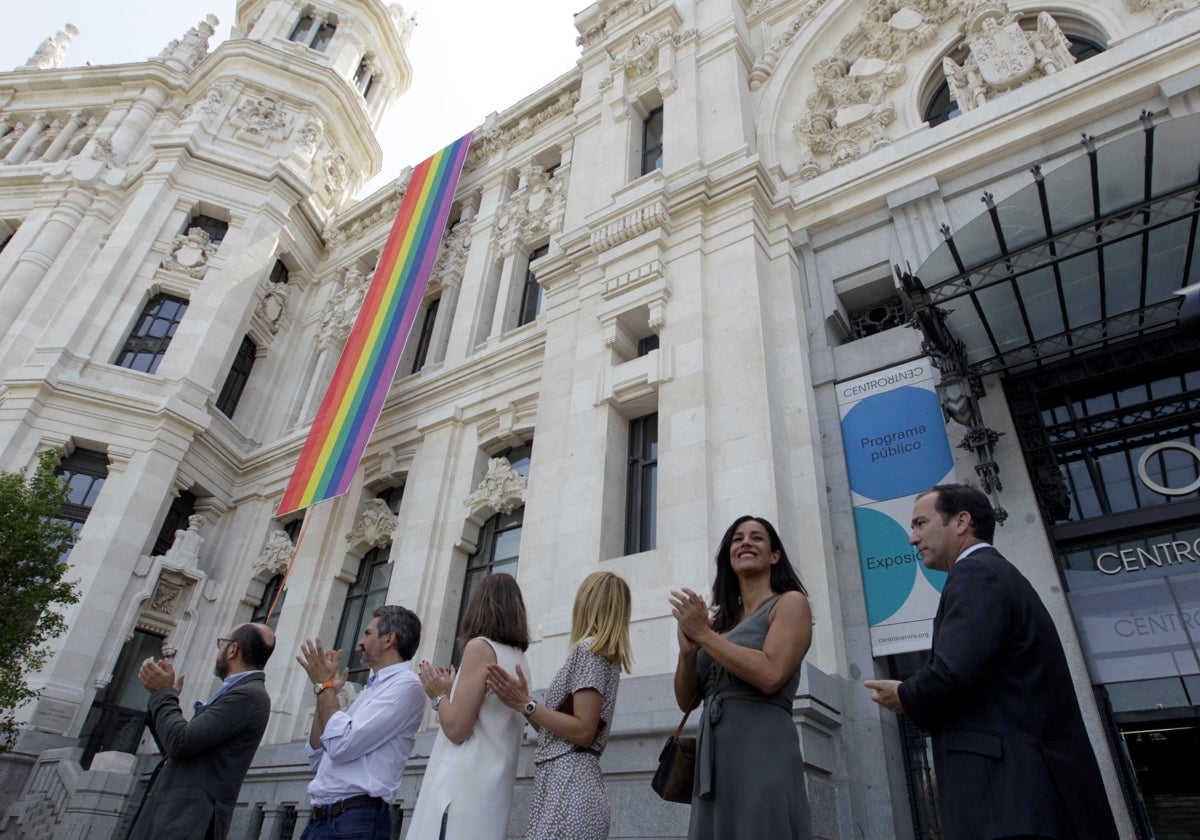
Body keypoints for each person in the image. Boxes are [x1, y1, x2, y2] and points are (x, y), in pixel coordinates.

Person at [865, 484, 1120, 840]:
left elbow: (954, 672)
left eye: (921, 523)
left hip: (1008, 801)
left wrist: (905, 694)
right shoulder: (995, 573)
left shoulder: (976, 574)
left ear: (961, 522)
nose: (912, 538)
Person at [670, 515, 814, 840]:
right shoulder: (720, 625)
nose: (746, 543)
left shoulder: (790, 603)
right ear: (729, 555)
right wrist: (688, 652)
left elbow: (771, 674)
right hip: (715, 756)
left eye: (757, 538)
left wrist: (704, 637)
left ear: (775, 556)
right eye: (738, 539)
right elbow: (686, 701)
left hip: (762, 747)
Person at [486, 571, 632, 840]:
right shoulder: (602, 653)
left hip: (568, 783)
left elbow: (582, 731)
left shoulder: (590, 649)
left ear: (587, 603)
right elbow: (564, 730)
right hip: (570, 781)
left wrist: (526, 703)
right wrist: (524, 704)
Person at [406, 573, 532, 839]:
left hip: (457, 800)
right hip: (490, 798)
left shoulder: (480, 648)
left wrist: (438, 696)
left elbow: (457, 728)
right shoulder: (520, 659)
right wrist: (454, 692)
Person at [127, 622, 275, 840]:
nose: (219, 650)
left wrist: (163, 694)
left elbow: (180, 743)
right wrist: (166, 699)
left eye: (221, 644)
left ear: (233, 649)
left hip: (187, 823)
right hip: (175, 818)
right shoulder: (238, 692)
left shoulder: (248, 695)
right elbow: (175, 749)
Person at [296, 605, 424, 840]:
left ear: (389, 639)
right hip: (323, 819)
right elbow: (318, 754)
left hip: (355, 822)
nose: (360, 642)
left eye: (367, 633)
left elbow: (340, 745)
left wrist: (324, 686)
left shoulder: (406, 686)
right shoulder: (371, 690)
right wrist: (325, 692)